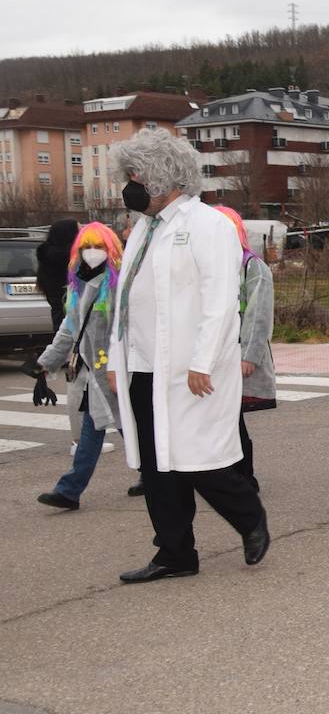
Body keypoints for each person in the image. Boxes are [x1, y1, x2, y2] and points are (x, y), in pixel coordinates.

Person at [106, 128, 269, 583]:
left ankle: (249, 516)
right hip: (143, 366)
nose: (131, 184)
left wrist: (202, 359)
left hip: (189, 368)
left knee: (198, 459)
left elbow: (220, 299)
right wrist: (117, 360)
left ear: (165, 175)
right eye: (129, 174)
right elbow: (126, 301)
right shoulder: (143, 228)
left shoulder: (207, 224)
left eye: (138, 174)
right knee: (158, 468)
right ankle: (175, 553)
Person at [34, 223, 130, 510]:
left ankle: (160, 476)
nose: (92, 253)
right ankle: (70, 490)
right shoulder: (77, 282)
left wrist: (117, 366)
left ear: (110, 249)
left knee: (130, 426)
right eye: (87, 247)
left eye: (99, 247)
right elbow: (69, 328)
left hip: (117, 372)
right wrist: (46, 362)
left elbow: (125, 330)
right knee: (95, 427)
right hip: (95, 373)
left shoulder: (118, 284)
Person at [213, 206, 276, 492]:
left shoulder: (253, 267)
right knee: (224, 418)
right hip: (215, 356)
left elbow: (258, 313)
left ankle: (244, 477)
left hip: (237, 355)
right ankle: (231, 474)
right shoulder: (212, 268)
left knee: (232, 417)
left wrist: (249, 355)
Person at [36, 219, 80, 332]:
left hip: (61, 306)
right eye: (79, 230)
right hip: (65, 304)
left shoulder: (48, 254)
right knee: (64, 328)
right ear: (69, 234)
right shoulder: (63, 257)